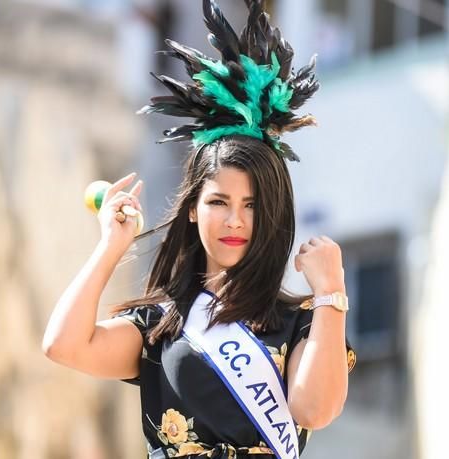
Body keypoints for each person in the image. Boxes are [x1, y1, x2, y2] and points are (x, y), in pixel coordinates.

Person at [42, 1, 356, 458]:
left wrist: (331, 292)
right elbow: (62, 346)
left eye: (252, 205)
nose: (235, 220)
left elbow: (312, 410)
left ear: (272, 214)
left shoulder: (303, 320)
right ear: (192, 209)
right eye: (218, 202)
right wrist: (110, 246)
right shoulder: (161, 327)